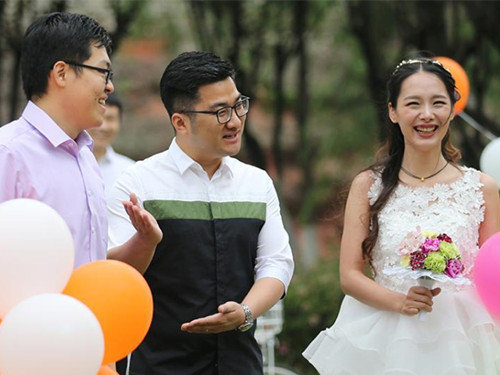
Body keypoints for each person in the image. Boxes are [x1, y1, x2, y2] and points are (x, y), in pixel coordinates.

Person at [303, 58, 500, 374]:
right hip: (388, 333)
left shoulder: (481, 188)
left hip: (462, 340)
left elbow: (492, 273)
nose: (426, 114)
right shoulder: (368, 184)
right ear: (393, 111)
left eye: (438, 103)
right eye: (413, 103)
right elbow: (349, 275)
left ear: (452, 109)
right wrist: (399, 302)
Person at [107, 51, 294, 375]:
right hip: (160, 364)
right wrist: (146, 241)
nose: (235, 121)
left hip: (240, 364)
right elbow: (114, 276)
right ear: (180, 121)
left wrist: (246, 312)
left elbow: (276, 263)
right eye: (220, 112)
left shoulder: (256, 182)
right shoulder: (138, 184)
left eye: (238, 105)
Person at [0, 12, 160, 268]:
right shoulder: (8, 154)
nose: (110, 88)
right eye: (103, 72)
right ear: (62, 73)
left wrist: (145, 241)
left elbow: (93, 265)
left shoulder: (85, 156)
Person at [88, 92, 135, 198]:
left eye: (110, 118)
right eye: (98, 117)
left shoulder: (130, 170)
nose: (103, 127)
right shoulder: (66, 164)